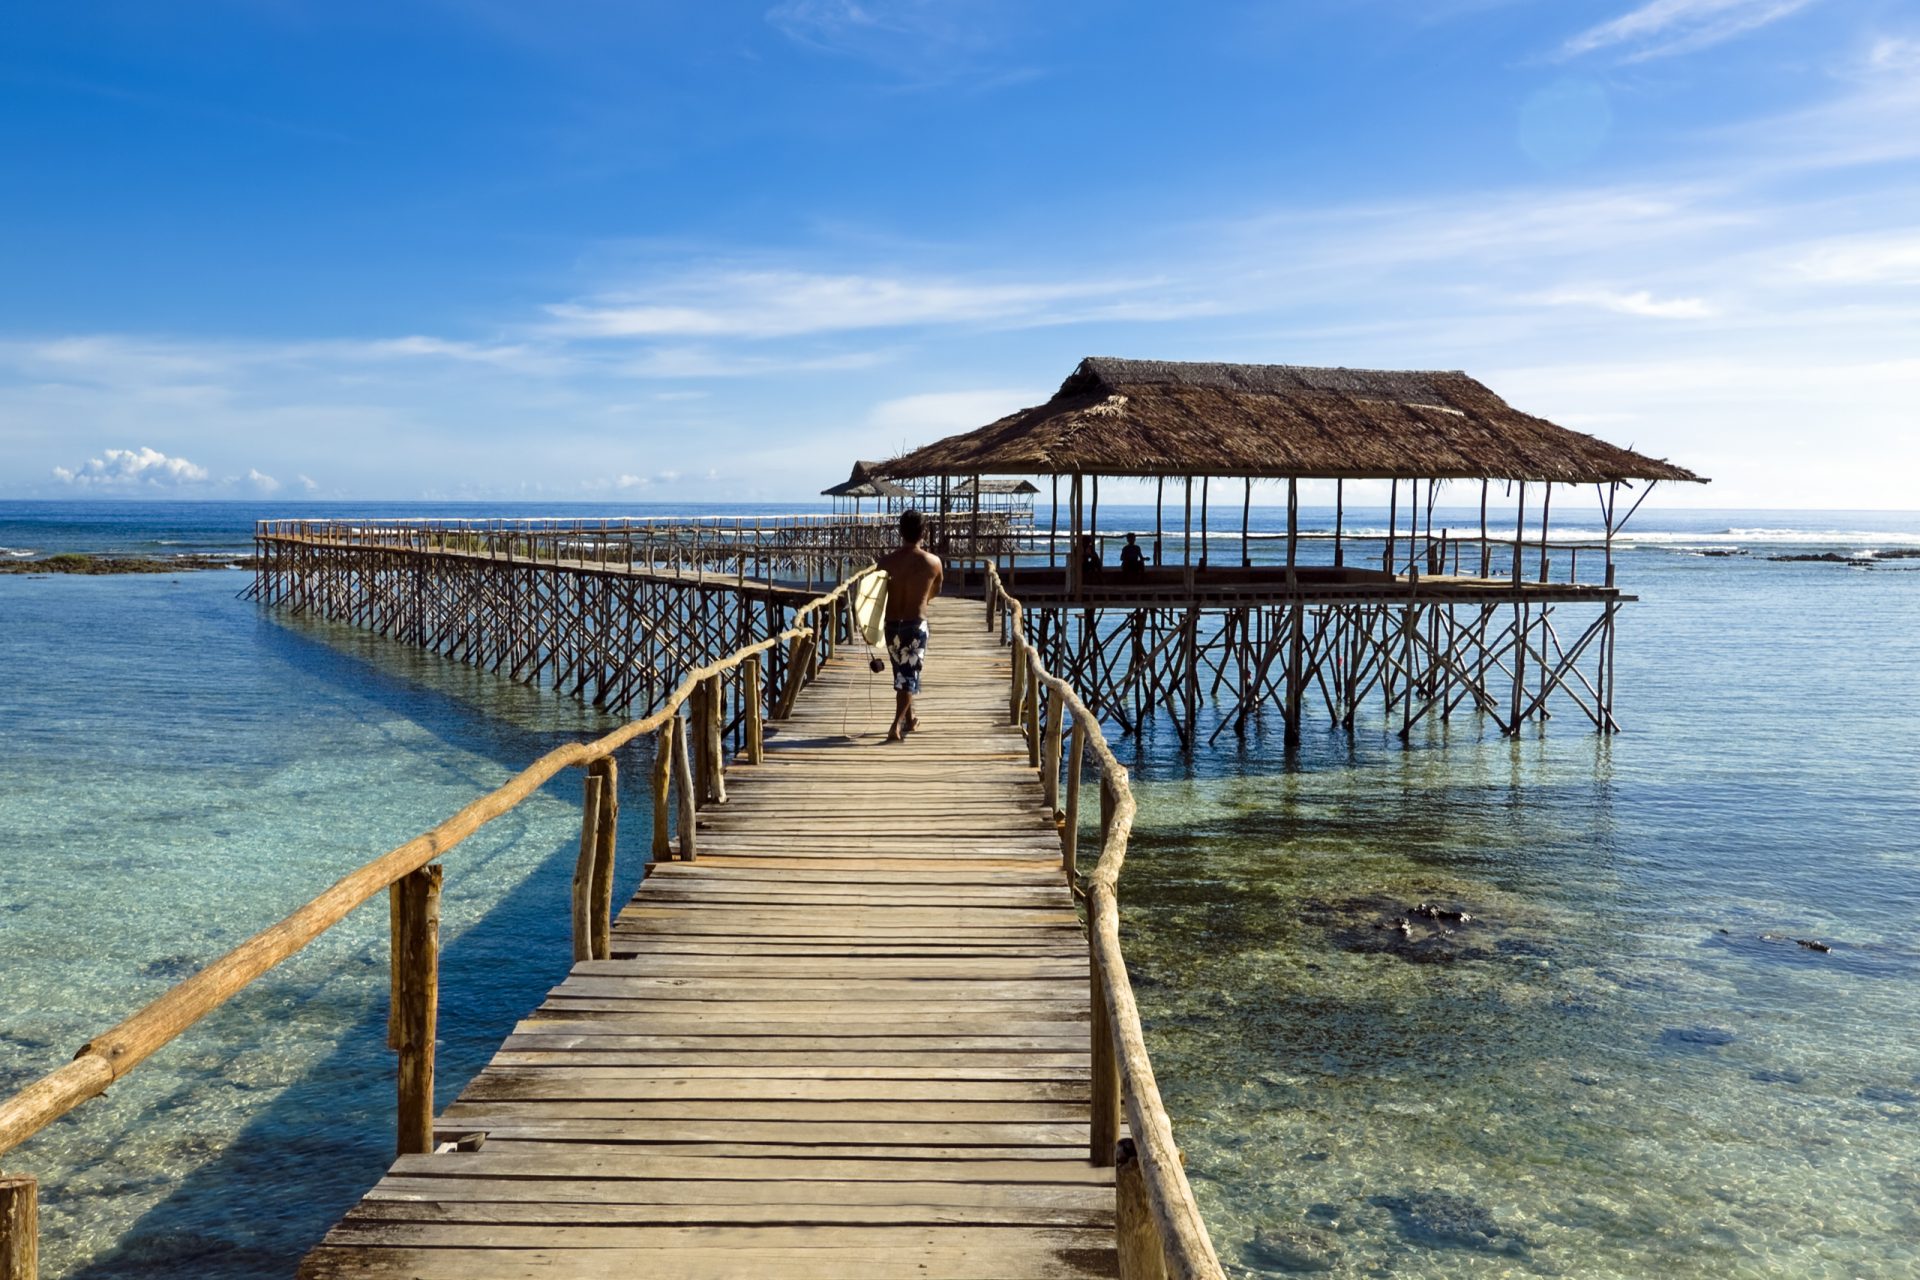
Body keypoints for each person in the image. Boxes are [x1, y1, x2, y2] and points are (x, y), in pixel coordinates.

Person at [875, 508, 943, 741]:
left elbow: (876, 595)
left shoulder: (885, 562)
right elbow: (935, 591)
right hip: (915, 625)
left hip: (891, 625)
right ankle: (895, 725)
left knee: (902, 674)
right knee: (907, 677)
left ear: (900, 532)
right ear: (924, 532)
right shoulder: (933, 562)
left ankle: (910, 720)